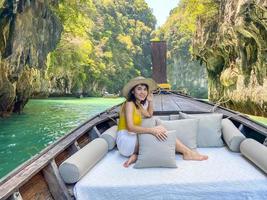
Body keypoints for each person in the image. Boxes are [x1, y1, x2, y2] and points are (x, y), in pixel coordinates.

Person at [116, 76, 208, 167]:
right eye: (139, 89)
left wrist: (151, 101)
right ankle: (188, 152)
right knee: (160, 131)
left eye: (145, 89)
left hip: (132, 139)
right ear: (133, 91)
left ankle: (136, 155)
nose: (142, 92)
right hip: (125, 141)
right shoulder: (129, 104)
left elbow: (149, 114)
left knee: (160, 132)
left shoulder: (138, 105)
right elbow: (130, 127)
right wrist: (152, 130)